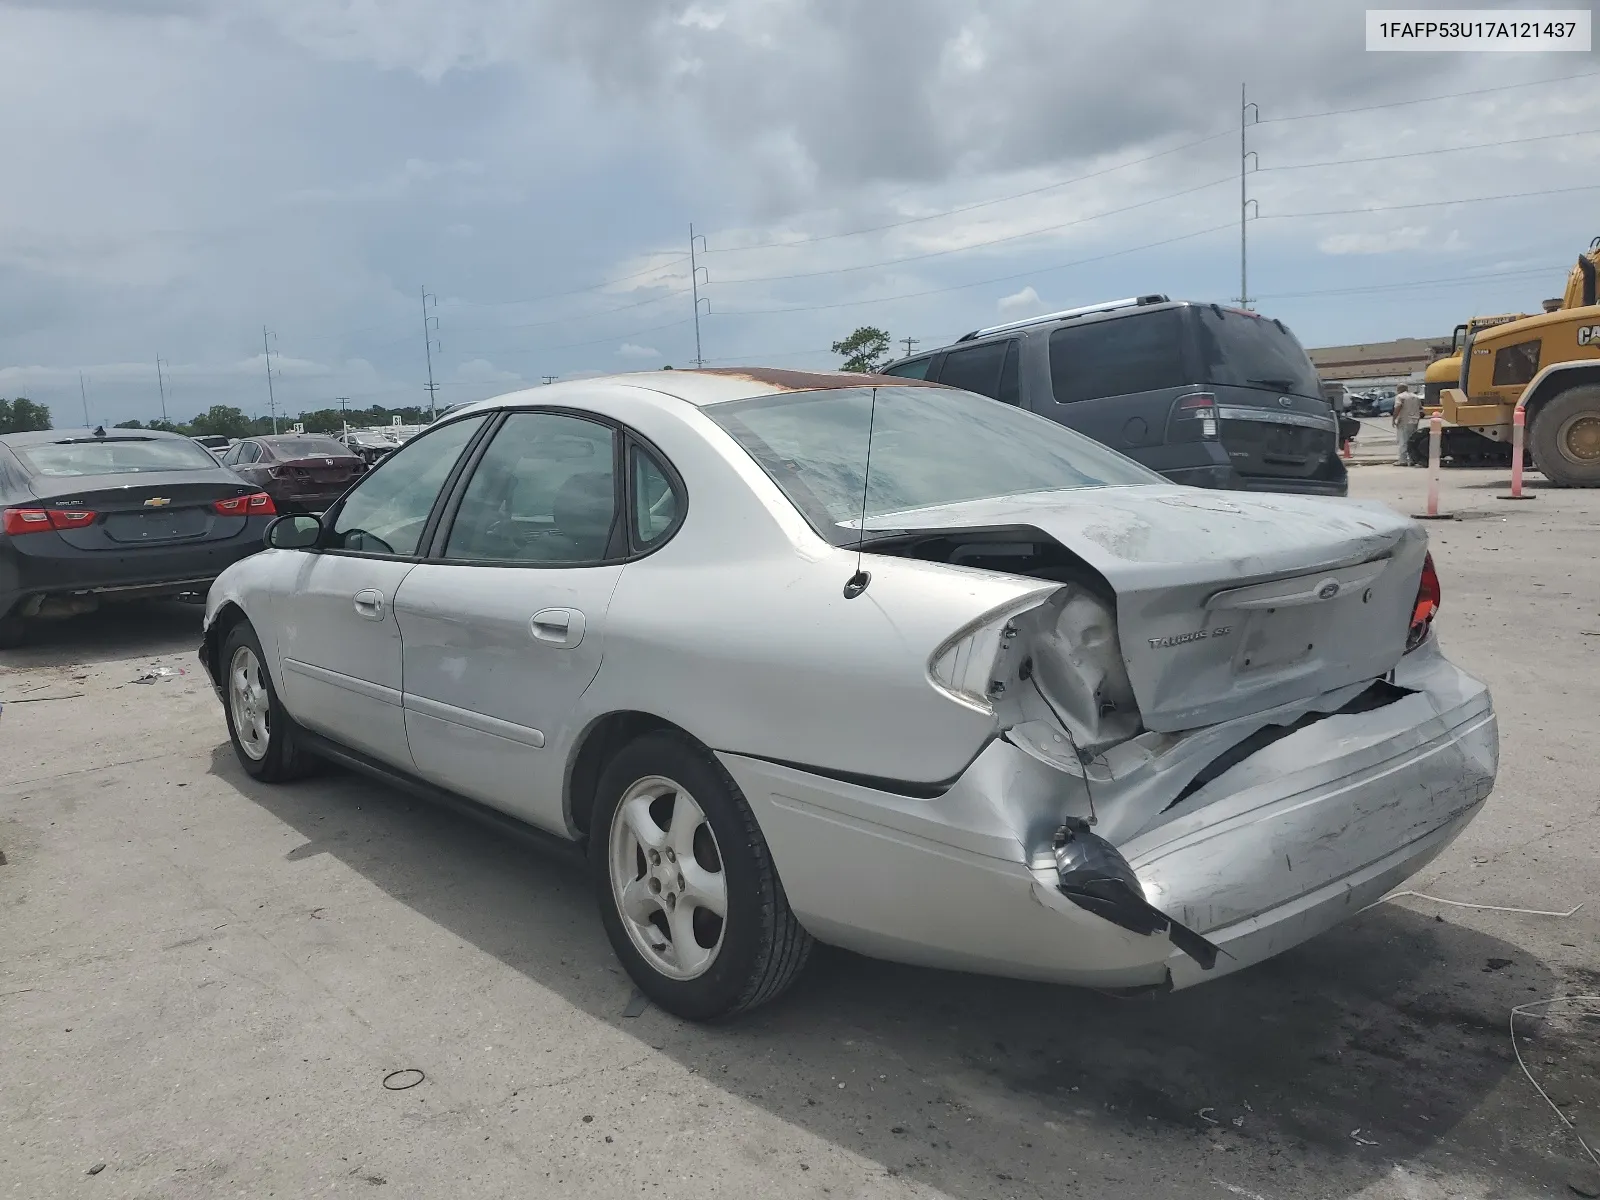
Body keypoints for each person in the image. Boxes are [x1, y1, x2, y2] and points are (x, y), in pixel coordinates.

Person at [1393, 384, 1422, 465]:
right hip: (1415, 421)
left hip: (1405, 421)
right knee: (1412, 441)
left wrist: (1394, 419)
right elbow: (1420, 408)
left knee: (1403, 440)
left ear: (1399, 389)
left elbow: (1398, 407)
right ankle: (1412, 459)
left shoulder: (1400, 397)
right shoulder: (1415, 397)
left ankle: (1403, 460)